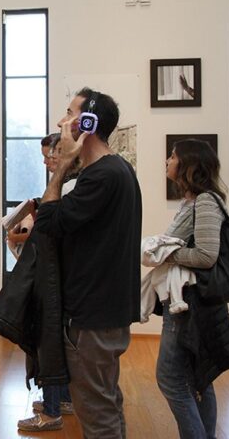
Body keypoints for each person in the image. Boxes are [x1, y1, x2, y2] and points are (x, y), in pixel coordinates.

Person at [26, 88, 142, 438]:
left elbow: (47, 222)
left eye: (68, 113)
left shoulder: (102, 175)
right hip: (104, 311)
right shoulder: (115, 170)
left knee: (97, 414)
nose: (61, 122)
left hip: (93, 317)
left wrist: (61, 167)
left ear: (86, 124)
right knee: (105, 404)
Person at [156, 139, 229, 439]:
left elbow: (207, 256)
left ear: (188, 165)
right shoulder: (191, 201)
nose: (167, 161)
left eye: (172, 157)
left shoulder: (205, 202)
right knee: (197, 379)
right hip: (188, 300)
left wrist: (164, 252)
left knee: (170, 378)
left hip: (191, 304)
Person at [16, 133, 77, 433]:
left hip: (57, 280)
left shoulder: (70, 186)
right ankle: (62, 400)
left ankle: (52, 410)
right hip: (58, 278)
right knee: (55, 341)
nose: (45, 161)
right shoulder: (68, 185)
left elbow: (56, 230)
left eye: (49, 156)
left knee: (50, 341)